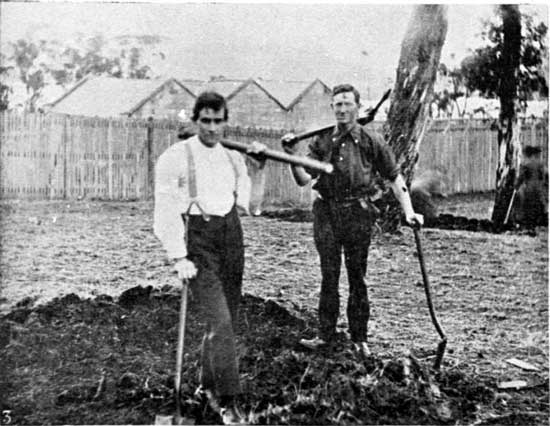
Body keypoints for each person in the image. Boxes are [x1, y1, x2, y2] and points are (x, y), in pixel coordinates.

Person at [281, 84, 424, 356]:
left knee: (357, 277)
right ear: (332, 108)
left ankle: (359, 339)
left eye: (347, 104)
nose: (342, 109)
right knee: (329, 276)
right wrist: (291, 155)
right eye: (337, 104)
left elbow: (395, 178)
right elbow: (303, 179)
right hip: (327, 214)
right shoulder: (322, 141)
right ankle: (325, 335)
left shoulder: (372, 142)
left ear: (358, 107)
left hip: (358, 214)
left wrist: (409, 211)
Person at [154, 91, 265, 424]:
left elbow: (252, 206)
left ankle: (206, 386)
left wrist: (259, 171)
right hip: (197, 242)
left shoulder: (232, 158)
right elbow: (164, 211)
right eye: (206, 121)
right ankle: (230, 401)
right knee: (220, 321)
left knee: (226, 318)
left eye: (219, 121)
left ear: (226, 122)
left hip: (231, 237)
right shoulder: (175, 157)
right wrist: (178, 257)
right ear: (195, 121)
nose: (213, 129)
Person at [513, 145, 548, 231]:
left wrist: (516, 185)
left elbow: (521, 177)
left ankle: (529, 223)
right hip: (539, 187)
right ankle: (539, 222)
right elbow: (545, 176)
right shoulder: (541, 164)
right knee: (539, 205)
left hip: (529, 187)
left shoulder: (525, 164)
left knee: (529, 206)